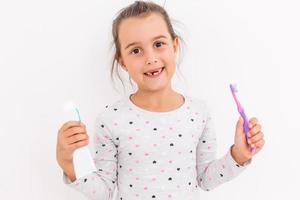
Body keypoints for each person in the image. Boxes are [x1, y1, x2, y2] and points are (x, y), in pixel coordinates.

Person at [56, 1, 265, 199]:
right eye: (136, 50)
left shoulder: (199, 113)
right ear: (122, 61)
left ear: (174, 46)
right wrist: (67, 161)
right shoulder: (111, 119)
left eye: (158, 44)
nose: (151, 58)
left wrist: (239, 154)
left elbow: (205, 179)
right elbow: (104, 192)